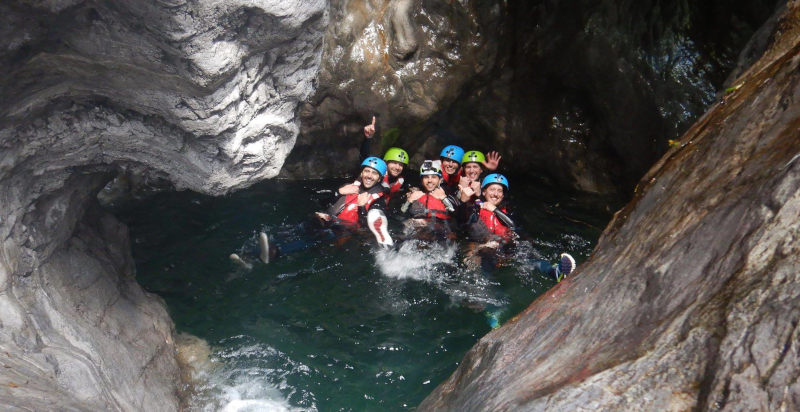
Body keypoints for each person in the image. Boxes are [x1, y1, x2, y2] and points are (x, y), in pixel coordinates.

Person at [231, 157, 394, 266]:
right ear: (362, 172)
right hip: (329, 219)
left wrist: (361, 207)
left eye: (374, 173)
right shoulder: (351, 187)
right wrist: (338, 192)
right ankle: (249, 257)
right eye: (367, 171)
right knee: (298, 228)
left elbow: (369, 226)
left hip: (345, 230)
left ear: (379, 179)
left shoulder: (377, 200)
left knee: (321, 235)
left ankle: (275, 252)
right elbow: (324, 201)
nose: (369, 176)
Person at [465, 173, 575, 281]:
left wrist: (494, 209)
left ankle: (554, 272)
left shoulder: (509, 211)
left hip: (508, 248)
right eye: (492, 189)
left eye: (499, 191)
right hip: (488, 251)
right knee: (487, 253)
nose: (495, 194)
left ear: (503, 195)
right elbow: (471, 236)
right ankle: (488, 285)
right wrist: (477, 250)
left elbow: (515, 226)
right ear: (484, 192)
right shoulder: (476, 211)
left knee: (529, 255)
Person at [400, 160, 453, 241]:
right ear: (421, 180)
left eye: (434, 177)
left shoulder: (446, 195)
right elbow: (402, 212)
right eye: (426, 177)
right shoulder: (415, 194)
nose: (430, 181)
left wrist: (443, 198)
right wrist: (410, 200)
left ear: (440, 180)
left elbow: (454, 212)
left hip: (440, 233)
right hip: (418, 233)